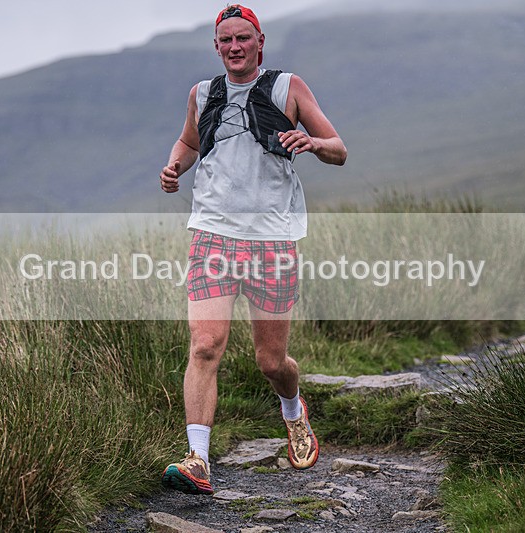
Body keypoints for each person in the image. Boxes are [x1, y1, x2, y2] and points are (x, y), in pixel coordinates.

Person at [159, 4, 347, 495]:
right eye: (226, 41)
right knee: (204, 346)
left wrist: (311, 142)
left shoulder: (288, 88)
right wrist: (174, 166)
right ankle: (197, 458)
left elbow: (339, 149)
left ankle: (293, 408)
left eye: (244, 38)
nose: (235, 47)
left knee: (271, 362)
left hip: (272, 240)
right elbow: (188, 142)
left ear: (260, 41)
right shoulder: (203, 94)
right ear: (216, 47)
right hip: (212, 235)